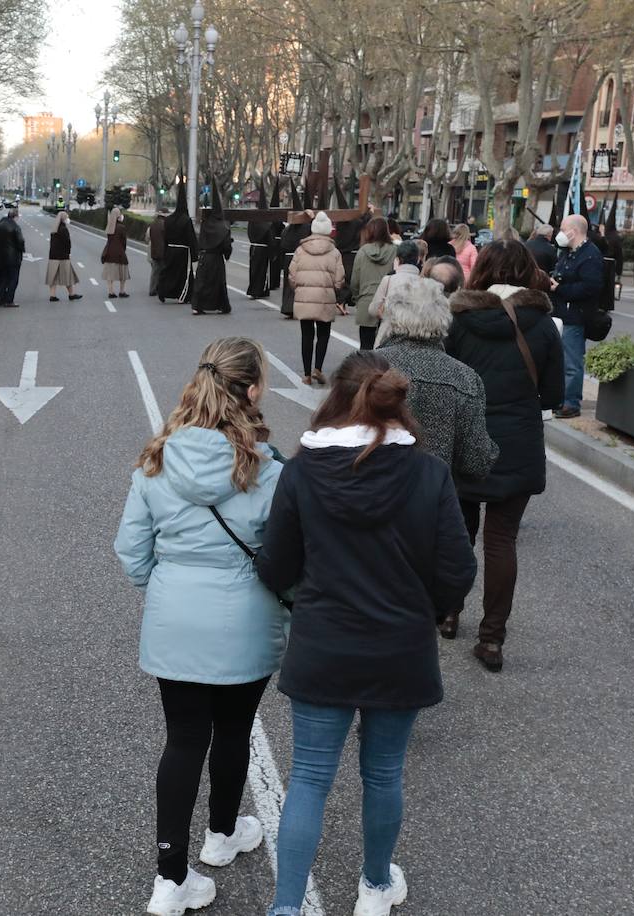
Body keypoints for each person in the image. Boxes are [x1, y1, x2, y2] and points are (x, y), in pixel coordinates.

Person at [255, 352, 477, 916]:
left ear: (333, 399)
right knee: (382, 773)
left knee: (307, 778)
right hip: (400, 647)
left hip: (324, 644)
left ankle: (286, 908)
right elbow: (458, 568)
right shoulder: (429, 474)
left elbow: (277, 564)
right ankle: (375, 887)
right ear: (396, 403)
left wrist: (304, 595)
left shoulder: (303, 471)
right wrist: (420, 613)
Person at [114, 338, 287, 916]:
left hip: (174, 621)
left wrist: (167, 590)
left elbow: (132, 552)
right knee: (235, 728)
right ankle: (221, 833)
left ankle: (170, 878)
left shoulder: (156, 460)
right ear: (253, 390)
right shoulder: (267, 470)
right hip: (246, 620)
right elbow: (286, 559)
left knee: (184, 738)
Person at [445, 240, 564, 672]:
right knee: (501, 540)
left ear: (482, 271)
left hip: (465, 437)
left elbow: (448, 382)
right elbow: (553, 394)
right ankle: (492, 638)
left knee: (458, 532)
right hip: (518, 441)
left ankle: (449, 611)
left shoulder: (459, 320)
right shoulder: (544, 325)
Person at [375, 276, 498, 478]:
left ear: (392, 315)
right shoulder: (465, 378)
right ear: (444, 319)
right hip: (433, 496)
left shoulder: (363, 367)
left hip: (369, 492)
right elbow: (476, 463)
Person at [549, 214, 604, 417]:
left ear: (574, 231)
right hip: (562, 313)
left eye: (563, 229)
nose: (560, 233)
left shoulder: (590, 255)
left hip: (576, 315)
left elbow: (591, 288)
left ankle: (571, 403)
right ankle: (562, 399)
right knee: (562, 360)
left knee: (572, 361)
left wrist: (560, 289)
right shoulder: (569, 252)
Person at [288, 211, 345, 385]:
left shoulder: (300, 250)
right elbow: (339, 279)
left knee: (306, 335)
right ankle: (318, 369)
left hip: (305, 297)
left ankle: (306, 374)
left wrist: (298, 288)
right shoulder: (334, 252)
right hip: (325, 298)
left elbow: (292, 274)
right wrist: (334, 290)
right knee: (323, 334)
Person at [351, 216, 396, 349]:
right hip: (388, 302)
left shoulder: (362, 252)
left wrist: (357, 298)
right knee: (386, 346)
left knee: (365, 345)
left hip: (366, 301)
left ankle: (366, 370)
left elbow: (355, 281)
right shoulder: (394, 251)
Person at [368, 240, 423, 336]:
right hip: (414, 333)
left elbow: (373, 309)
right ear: (418, 259)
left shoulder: (388, 280)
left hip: (388, 332)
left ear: (398, 259)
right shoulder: (423, 282)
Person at [191, 199, 232, 315]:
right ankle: (222, 305)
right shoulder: (224, 227)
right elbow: (226, 245)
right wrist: (227, 255)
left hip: (204, 257)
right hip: (216, 258)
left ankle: (197, 306)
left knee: (201, 281)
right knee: (218, 282)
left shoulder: (205, 224)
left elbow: (200, 240)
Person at [158, 187, 198, 303]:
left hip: (170, 250)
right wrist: (195, 253)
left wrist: (165, 251)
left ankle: (163, 291)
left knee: (169, 272)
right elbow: (191, 238)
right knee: (183, 274)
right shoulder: (186, 220)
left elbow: (165, 237)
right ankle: (185, 295)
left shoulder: (168, 219)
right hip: (183, 252)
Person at [278, 210, 313, 320]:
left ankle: (287, 307)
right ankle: (298, 308)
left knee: (289, 283)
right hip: (301, 257)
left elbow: (282, 245)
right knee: (300, 284)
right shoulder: (307, 228)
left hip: (288, 258)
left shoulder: (286, 230)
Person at [0, 207, 25, 307]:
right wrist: (21, 250)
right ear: (16, 217)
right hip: (12, 258)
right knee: (13, 279)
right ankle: (9, 300)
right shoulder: (15, 227)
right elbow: (20, 241)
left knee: (3, 279)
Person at [46, 210, 83, 301]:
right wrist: (68, 252)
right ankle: (71, 294)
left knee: (53, 276)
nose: (68, 219)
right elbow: (67, 243)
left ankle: (52, 295)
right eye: (67, 217)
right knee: (67, 276)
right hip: (62, 256)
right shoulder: (63, 229)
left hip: (53, 256)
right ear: (63, 219)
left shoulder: (54, 228)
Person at [246, 188, 273, 299]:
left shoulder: (252, 220)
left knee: (253, 270)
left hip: (253, 248)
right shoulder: (267, 223)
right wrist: (272, 252)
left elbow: (248, 233)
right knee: (262, 271)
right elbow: (270, 238)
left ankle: (253, 289)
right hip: (263, 249)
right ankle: (259, 290)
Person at [102, 206, 132, 298]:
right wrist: (123, 250)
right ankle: (122, 291)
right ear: (118, 216)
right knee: (122, 272)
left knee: (110, 273)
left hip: (109, 252)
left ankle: (111, 291)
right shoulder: (121, 227)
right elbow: (124, 242)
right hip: (120, 253)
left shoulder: (109, 227)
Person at [148, 208, 168, 298]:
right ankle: (161, 289)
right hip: (163, 251)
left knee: (155, 271)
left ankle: (152, 289)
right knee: (163, 272)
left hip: (154, 251)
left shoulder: (153, 224)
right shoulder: (165, 225)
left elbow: (149, 237)